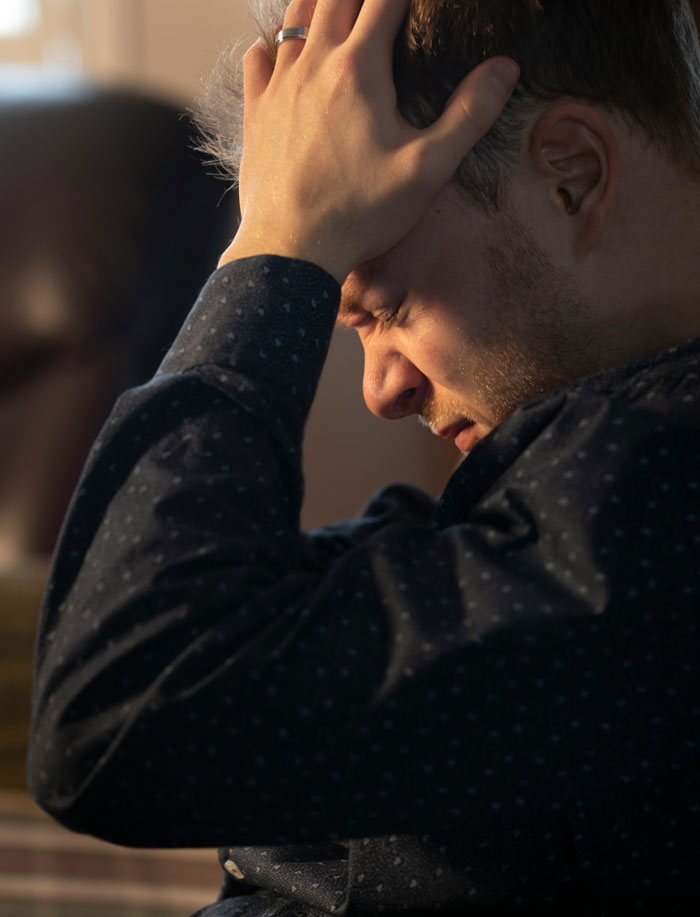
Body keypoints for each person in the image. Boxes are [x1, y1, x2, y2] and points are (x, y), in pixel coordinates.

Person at [28, 0, 700, 913]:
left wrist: (282, 245)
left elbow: (118, 711)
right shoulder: (585, 486)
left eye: (385, 307)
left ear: (574, 178)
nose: (381, 390)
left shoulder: (658, 505)